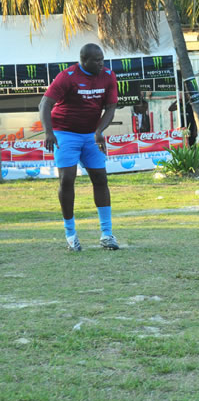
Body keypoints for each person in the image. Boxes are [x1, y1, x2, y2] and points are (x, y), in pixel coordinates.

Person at [38, 43, 120, 251]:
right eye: (96, 60)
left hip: (91, 134)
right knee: (67, 179)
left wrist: (99, 131)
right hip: (64, 133)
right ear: (83, 60)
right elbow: (44, 104)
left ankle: (107, 234)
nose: (101, 63)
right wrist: (49, 132)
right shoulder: (68, 76)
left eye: (102, 59)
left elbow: (110, 108)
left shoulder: (109, 75)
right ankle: (71, 235)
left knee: (100, 179)